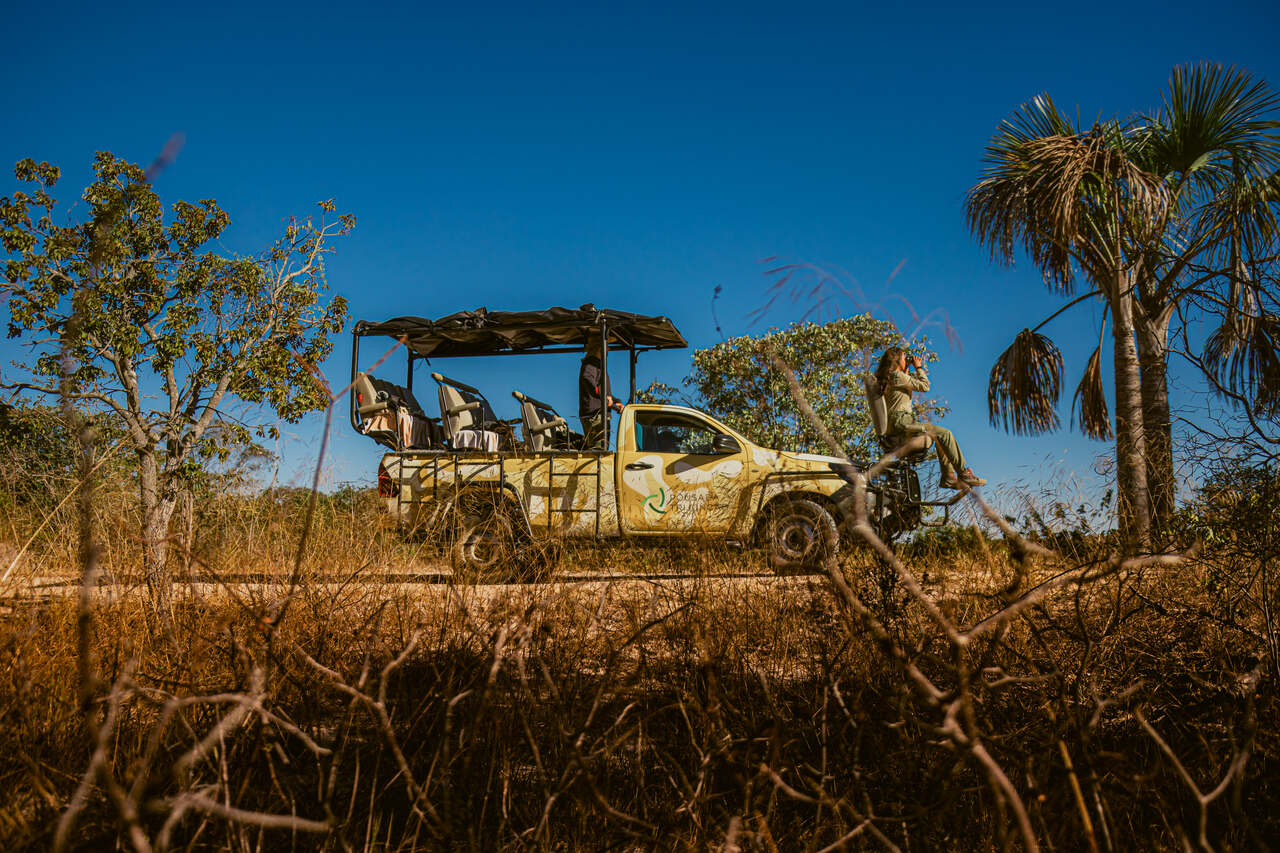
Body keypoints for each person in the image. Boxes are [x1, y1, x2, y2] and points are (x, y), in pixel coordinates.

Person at [875, 346, 986, 489]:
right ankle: (964, 473)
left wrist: (906, 371)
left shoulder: (891, 377)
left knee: (939, 436)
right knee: (945, 434)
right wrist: (919, 367)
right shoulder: (897, 376)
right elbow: (925, 386)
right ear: (897, 360)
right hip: (902, 422)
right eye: (904, 357)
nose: (907, 359)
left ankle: (949, 477)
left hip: (896, 423)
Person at [579, 335, 624, 449]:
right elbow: (587, 378)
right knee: (598, 451)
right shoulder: (592, 362)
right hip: (595, 415)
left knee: (601, 449)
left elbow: (601, 390)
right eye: (608, 345)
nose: (609, 349)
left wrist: (615, 401)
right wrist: (604, 397)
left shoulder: (597, 364)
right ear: (600, 347)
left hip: (598, 414)